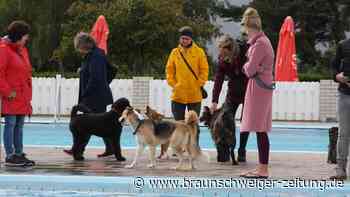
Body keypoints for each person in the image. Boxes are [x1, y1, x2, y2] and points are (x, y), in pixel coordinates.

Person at [63, 32, 114, 157]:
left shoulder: (96, 56)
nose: (79, 50)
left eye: (79, 47)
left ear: (85, 45)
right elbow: (110, 70)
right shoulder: (93, 55)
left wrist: (88, 92)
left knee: (86, 124)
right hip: (97, 95)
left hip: (94, 96)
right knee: (99, 124)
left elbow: (95, 77)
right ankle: (110, 148)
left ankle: (77, 150)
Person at [162, 26, 209, 158]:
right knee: (178, 124)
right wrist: (174, 84)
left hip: (195, 95)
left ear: (191, 39)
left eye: (186, 38)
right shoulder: (175, 52)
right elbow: (169, 70)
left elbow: (204, 70)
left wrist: (199, 83)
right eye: (182, 38)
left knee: (194, 124)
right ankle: (178, 149)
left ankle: (194, 148)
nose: (184, 41)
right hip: (178, 95)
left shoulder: (199, 52)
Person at [238, 7, 275, 178]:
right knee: (260, 128)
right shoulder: (263, 41)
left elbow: (249, 70)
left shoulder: (259, 44)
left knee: (260, 128)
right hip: (261, 86)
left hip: (259, 87)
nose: (245, 33)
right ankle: (261, 167)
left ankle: (263, 169)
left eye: (245, 30)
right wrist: (257, 67)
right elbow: (258, 67)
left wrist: (250, 66)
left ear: (249, 27)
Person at [0, 20, 35, 166]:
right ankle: (10, 155)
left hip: (22, 95)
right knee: (11, 124)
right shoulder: (3, 49)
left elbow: (26, 72)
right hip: (12, 95)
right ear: (19, 36)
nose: (27, 38)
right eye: (25, 36)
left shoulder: (22, 50)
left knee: (19, 125)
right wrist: (8, 92)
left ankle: (19, 153)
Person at [211, 34, 250, 162]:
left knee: (246, 122)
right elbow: (218, 80)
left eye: (223, 53)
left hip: (248, 91)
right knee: (224, 120)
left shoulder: (245, 51)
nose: (221, 56)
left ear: (229, 49)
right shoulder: (223, 60)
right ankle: (225, 150)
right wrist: (214, 101)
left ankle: (242, 150)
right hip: (232, 92)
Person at [330, 38, 350, 180]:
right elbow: (333, 68)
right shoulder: (343, 45)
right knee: (343, 134)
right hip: (344, 95)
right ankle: (340, 170)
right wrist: (337, 76)